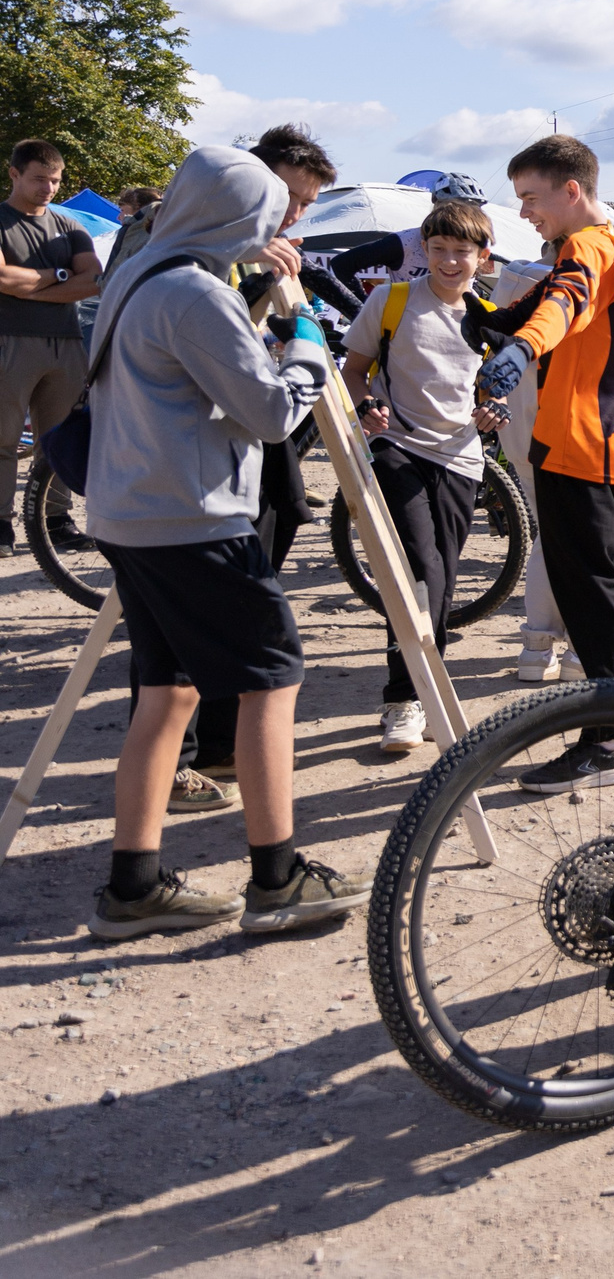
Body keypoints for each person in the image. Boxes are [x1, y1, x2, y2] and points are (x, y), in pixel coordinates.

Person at [82, 146, 369, 938]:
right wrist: (305, 328)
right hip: (192, 518)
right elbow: (275, 411)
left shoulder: (137, 275)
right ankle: (278, 878)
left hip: (132, 512)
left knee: (168, 690)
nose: (277, 227)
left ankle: (133, 885)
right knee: (270, 680)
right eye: (269, 212)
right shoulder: (194, 293)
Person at [476, 134, 614, 791]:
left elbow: (562, 304)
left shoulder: (584, 249)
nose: (524, 212)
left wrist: (520, 349)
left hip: (578, 444)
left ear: (571, 190)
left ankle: (608, 739)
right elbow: (524, 311)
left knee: (590, 594)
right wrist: (489, 321)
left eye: (530, 197)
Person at [339, 198, 505, 754]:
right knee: (419, 567)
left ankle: (425, 690)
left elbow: (496, 390)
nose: (450, 262)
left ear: (483, 257)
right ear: (424, 250)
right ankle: (402, 701)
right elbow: (354, 371)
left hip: (460, 457)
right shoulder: (392, 301)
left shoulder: (488, 317)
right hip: (397, 448)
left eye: (462, 252)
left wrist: (493, 408)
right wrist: (366, 407)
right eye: (439, 250)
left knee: (443, 576)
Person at [0, 138, 101, 557]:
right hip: (8, 340)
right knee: (3, 439)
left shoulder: (70, 226)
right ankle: (0, 525)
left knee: (60, 438)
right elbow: (2, 280)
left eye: (55, 180)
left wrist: (32, 286)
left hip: (66, 342)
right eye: (39, 178)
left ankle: (55, 521)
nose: (48, 188)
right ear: (14, 174)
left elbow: (94, 280)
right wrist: (60, 278)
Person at [326, 171, 491, 299]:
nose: (463, 216)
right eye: (455, 208)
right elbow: (342, 264)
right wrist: (361, 308)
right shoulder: (405, 242)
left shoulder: (479, 243)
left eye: (473, 210)